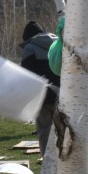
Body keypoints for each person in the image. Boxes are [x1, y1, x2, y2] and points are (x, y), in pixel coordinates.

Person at [21, 19, 60, 154]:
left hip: (41, 96)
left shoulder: (29, 48)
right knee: (62, 129)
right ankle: (63, 160)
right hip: (61, 93)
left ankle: (47, 160)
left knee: (45, 130)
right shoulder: (58, 44)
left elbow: (27, 75)